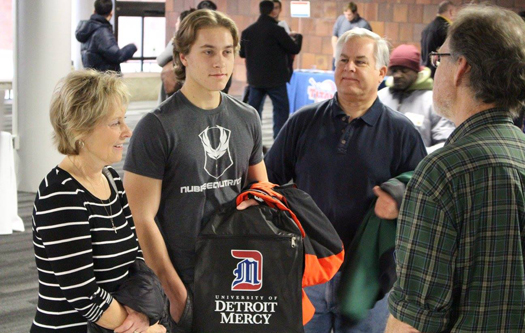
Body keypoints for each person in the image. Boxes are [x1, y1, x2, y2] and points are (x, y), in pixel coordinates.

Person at [264, 28, 427, 333]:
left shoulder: (401, 133)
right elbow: (267, 182)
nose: (349, 68)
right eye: (343, 60)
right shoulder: (302, 121)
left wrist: (399, 200)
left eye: (360, 62)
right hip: (308, 271)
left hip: (369, 276)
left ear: (381, 72)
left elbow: (423, 199)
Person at [123, 9, 268, 333]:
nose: (220, 62)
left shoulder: (248, 118)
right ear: (183, 56)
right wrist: (174, 290)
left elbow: (261, 190)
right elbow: (141, 219)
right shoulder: (157, 127)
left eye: (227, 51)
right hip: (180, 277)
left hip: (237, 273)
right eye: (208, 51)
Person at [387, 5, 525, 332]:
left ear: (460, 67)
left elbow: (414, 318)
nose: (435, 68)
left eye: (439, 58)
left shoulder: (441, 174)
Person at [31, 70, 165, 333]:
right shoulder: (60, 195)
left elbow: (136, 262)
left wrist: (143, 314)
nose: (127, 132)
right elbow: (84, 294)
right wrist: (144, 330)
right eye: (115, 123)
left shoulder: (112, 180)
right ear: (80, 128)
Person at [240, 0, 302, 139]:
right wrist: (298, 37)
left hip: (255, 80)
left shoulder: (247, 32)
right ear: (272, 11)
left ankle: (251, 141)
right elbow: (294, 49)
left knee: (253, 112)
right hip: (276, 80)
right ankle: (279, 141)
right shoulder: (278, 30)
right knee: (281, 111)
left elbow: (242, 53)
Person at [378, 44, 454, 153]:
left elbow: (445, 144)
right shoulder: (380, 97)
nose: (397, 75)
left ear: (416, 72)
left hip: (417, 167)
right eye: (394, 70)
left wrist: (418, 155)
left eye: (404, 70)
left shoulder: (433, 102)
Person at [75, 0, 137, 73]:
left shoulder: (87, 30)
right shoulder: (102, 32)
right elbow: (117, 56)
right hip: (104, 81)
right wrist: (132, 47)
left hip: (93, 78)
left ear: (94, 11)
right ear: (111, 13)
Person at [156, 8, 196, 102]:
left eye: (177, 21)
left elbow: (160, 60)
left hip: (177, 87)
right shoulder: (197, 40)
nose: (175, 24)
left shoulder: (179, 40)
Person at [420, 1, 456, 78]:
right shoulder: (448, 29)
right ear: (451, 12)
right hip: (439, 75)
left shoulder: (427, 29)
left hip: (425, 73)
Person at [331, 2, 372, 70]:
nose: (347, 17)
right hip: (340, 54)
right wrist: (335, 51)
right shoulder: (341, 20)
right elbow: (334, 36)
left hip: (355, 56)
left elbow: (369, 42)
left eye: (349, 15)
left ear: (355, 13)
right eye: (345, 14)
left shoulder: (363, 24)